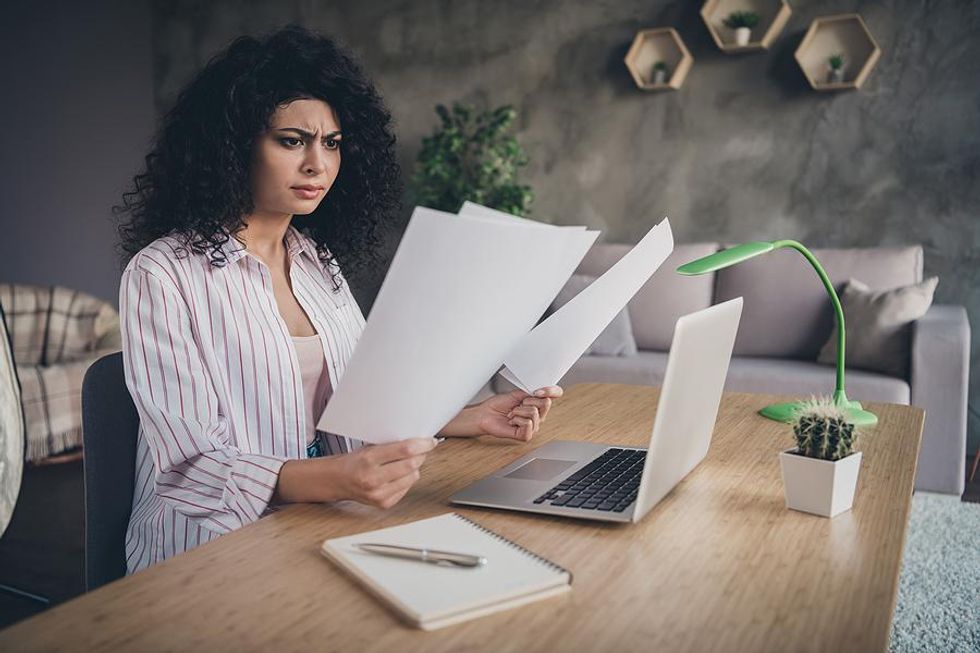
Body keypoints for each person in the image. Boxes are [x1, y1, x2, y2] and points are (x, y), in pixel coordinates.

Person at [115, 25, 562, 573]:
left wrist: (467, 418)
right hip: (206, 553)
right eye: (291, 140)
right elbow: (189, 468)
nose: (317, 164)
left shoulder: (316, 261)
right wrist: (334, 478)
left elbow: (357, 401)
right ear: (233, 147)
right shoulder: (162, 273)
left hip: (321, 525)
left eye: (331, 143)